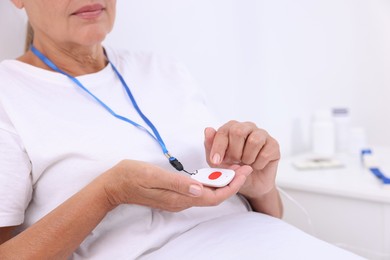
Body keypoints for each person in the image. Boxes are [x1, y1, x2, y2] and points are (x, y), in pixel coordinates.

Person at [0, 1, 362, 260]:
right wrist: (108, 193)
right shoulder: (9, 93)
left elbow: (266, 215)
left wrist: (259, 188)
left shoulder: (164, 69)